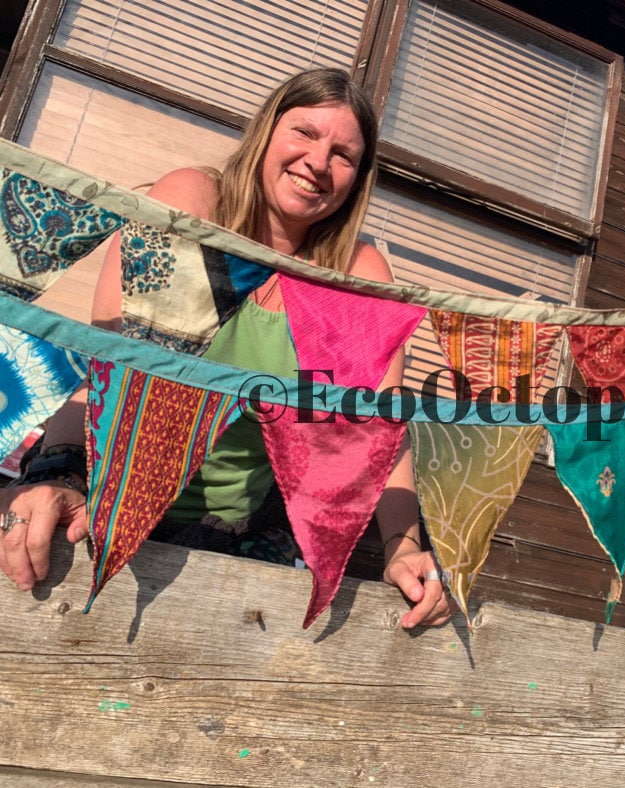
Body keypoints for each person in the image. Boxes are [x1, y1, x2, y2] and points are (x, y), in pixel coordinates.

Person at [0, 68, 455, 629]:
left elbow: (379, 435)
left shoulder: (357, 274)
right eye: (305, 133)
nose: (318, 162)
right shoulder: (193, 201)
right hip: (107, 496)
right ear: (266, 132)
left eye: (344, 155)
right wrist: (57, 478)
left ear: (358, 179)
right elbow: (108, 363)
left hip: (247, 536)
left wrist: (402, 546)